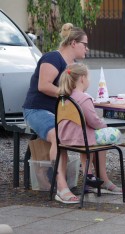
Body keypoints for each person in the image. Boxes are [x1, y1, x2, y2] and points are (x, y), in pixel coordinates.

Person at [23, 23, 88, 204]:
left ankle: (98, 180)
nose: (87, 49)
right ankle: (61, 187)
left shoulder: (75, 65)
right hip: (37, 110)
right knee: (59, 137)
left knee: (90, 131)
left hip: (59, 113)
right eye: (85, 44)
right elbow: (43, 86)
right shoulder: (52, 57)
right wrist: (68, 93)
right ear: (73, 43)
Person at [57, 63, 123, 194]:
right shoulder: (84, 98)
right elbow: (94, 121)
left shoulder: (64, 97)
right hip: (81, 138)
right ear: (82, 78)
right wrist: (104, 125)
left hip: (64, 138)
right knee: (111, 134)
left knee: (91, 138)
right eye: (88, 78)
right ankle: (96, 177)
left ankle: (89, 174)